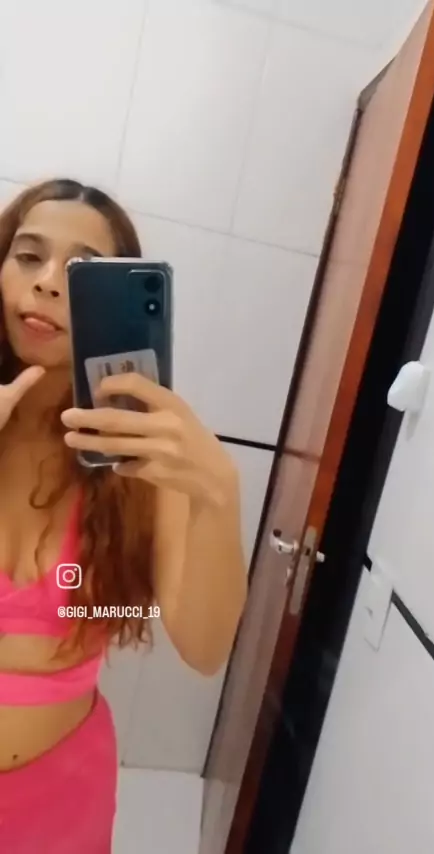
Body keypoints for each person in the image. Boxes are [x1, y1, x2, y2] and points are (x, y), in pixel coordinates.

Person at [0, 178, 247, 852]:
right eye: (29, 256)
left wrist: (218, 497)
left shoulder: (140, 456)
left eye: (80, 272)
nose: (48, 282)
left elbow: (204, 649)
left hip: (59, 805)